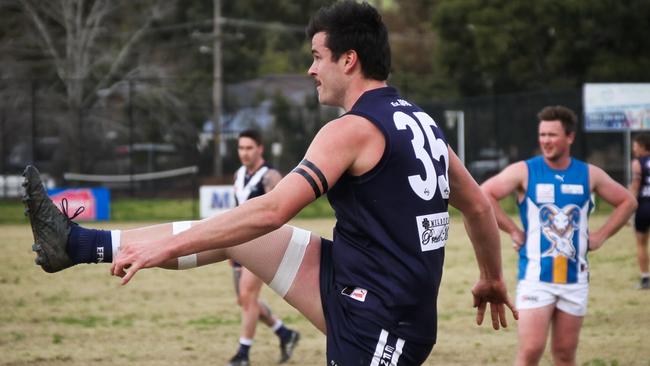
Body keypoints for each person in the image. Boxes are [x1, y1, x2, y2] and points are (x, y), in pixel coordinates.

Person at [24, 2, 517, 365]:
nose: (310, 68)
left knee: (251, 224)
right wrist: (492, 276)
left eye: (317, 56)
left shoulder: (351, 130)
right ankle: (78, 244)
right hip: (357, 282)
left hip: (382, 321)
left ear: (348, 60)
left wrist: (157, 254)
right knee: (240, 234)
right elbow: (476, 206)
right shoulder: (423, 123)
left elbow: (271, 209)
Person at [480, 105, 637, 366]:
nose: (546, 141)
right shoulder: (524, 171)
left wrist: (600, 236)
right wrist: (513, 229)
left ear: (570, 137)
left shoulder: (589, 174)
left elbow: (628, 202)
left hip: (575, 280)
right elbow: (484, 194)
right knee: (530, 351)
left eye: (552, 135)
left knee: (564, 355)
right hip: (536, 279)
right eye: (542, 135)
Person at [225, 129, 300, 365]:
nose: (244, 153)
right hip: (239, 245)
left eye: (249, 148)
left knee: (248, 295)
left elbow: (280, 213)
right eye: (240, 148)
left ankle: (242, 355)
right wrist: (229, 245)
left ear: (260, 149)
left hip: (261, 245)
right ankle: (285, 333)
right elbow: (236, 212)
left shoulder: (271, 176)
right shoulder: (238, 175)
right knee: (246, 301)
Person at [629, 133, 650, 290]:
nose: (633, 149)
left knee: (641, 243)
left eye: (635, 146)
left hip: (643, 207)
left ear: (643, 147)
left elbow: (635, 186)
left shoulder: (637, 163)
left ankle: (645, 279)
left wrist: (629, 211)